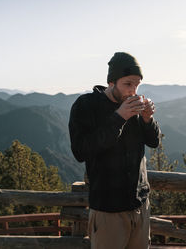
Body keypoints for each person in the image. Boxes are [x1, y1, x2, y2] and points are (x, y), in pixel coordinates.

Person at [68, 52, 161, 249]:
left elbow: (154, 142)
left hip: (140, 206)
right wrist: (119, 117)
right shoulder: (86, 106)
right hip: (108, 210)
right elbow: (80, 151)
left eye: (137, 84)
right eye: (128, 84)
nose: (133, 90)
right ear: (112, 82)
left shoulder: (135, 107)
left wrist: (147, 119)